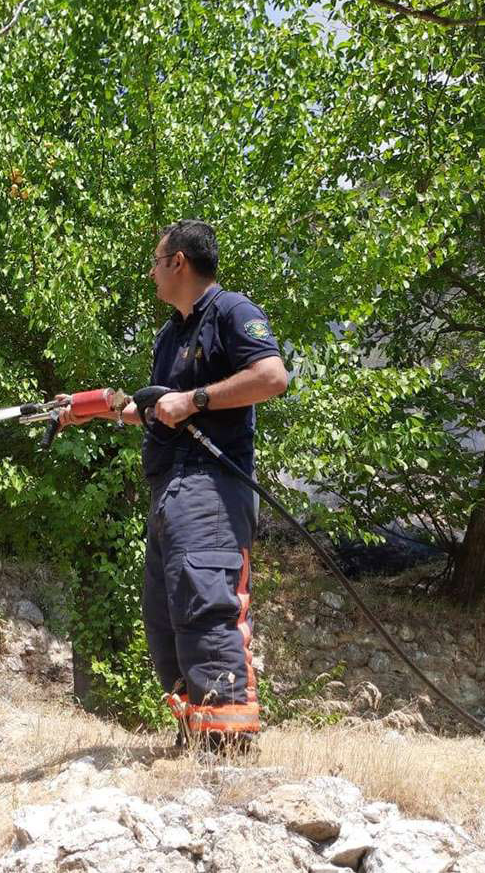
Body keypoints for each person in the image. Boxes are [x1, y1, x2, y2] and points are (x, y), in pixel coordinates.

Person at [58, 219, 288, 751]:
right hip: (170, 490)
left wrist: (197, 399)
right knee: (166, 618)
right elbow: (155, 409)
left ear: (178, 262)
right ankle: (194, 735)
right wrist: (91, 410)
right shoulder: (171, 334)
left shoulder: (233, 311)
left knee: (206, 606)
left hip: (211, 488)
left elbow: (272, 377)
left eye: (156, 262)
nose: (152, 273)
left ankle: (226, 748)